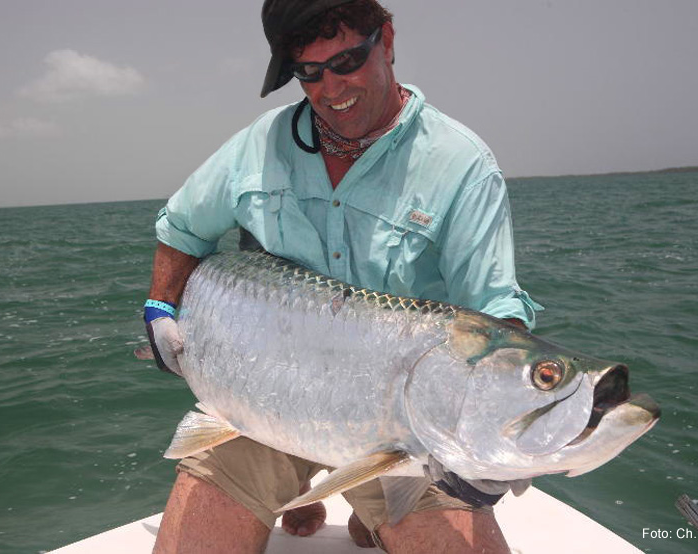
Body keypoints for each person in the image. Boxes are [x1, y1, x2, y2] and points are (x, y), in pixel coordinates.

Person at [144, 1, 542, 552]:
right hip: (262, 393)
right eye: (309, 72)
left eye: (348, 60)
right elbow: (182, 228)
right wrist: (161, 308)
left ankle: (364, 506)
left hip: (401, 423)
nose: (332, 88)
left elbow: (491, 316)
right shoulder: (258, 146)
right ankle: (311, 483)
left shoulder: (461, 164)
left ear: (389, 40)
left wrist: (490, 430)